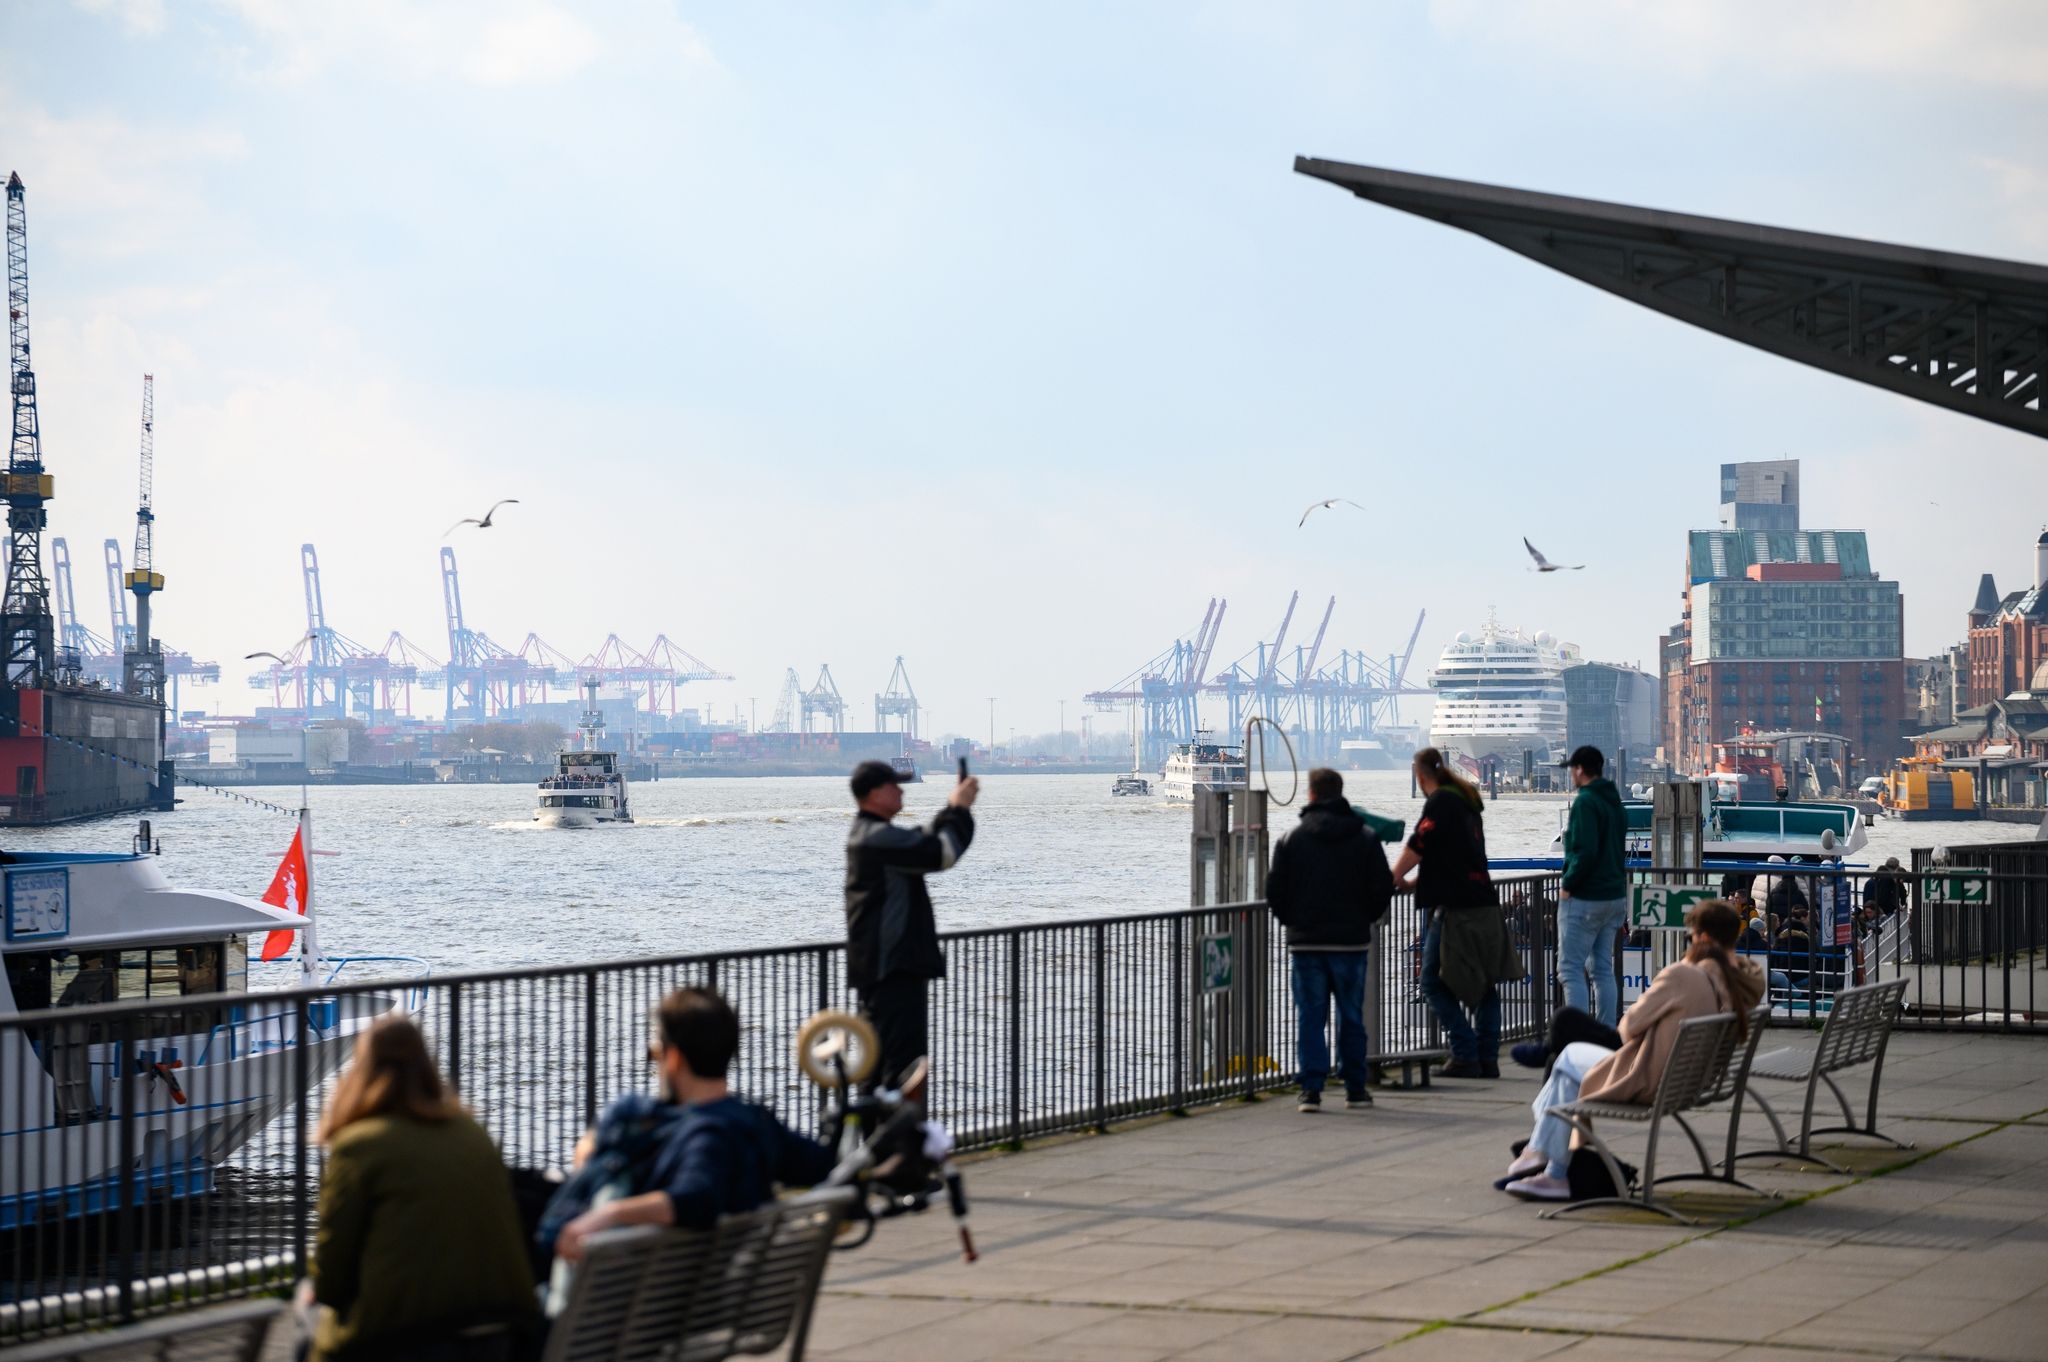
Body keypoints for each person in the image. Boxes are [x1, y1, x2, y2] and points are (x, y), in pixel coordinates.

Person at [306, 1015, 537, 1362]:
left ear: (361, 1071)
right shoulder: (472, 1134)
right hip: (498, 1330)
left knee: (304, 1329)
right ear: (426, 1065)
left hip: (403, 1339)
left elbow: (331, 1279)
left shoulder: (359, 1146)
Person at [1501, 899, 1763, 1200]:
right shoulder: (1744, 979)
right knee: (1564, 1064)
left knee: (1567, 1058)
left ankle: (1551, 1166)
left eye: (1690, 935)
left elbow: (1627, 1028)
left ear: (1702, 937)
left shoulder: (1684, 975)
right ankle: (1542, 1154)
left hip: (1653, 1079)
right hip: (1692, 1081)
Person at [552, 988, 835, 1261]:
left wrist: (611, 1212)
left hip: (631, 1295)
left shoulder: (706, 1136)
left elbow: (696, 1196)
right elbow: (826, 1167)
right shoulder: (757, 1124)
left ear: (674, 1059)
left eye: (655, 1054)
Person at [1265, 767, 1394, 1113]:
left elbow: (1275, 891)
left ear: (1310, 794)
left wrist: (1293, 922)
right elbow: (1382, 887)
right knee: (1351, 1016)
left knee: (1310, 1016)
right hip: (1351, 943)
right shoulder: (1365, 837)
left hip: (1306, 945)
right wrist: (1363, 919)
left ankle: (1310, 1089)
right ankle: (1355, 1088)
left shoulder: (1291, 839)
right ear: (1340, 792)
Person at [843, 759, 978, 1090]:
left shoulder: (873, 835)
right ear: (874, 794)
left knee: (876, 1063)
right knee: (900, 1067)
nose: (901, 789)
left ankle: (876, 1136)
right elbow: (941, 853)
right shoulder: (877, 839)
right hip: (893, 971)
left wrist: (952, 807)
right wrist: (959, 809)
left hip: (883, 970)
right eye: (893, 784)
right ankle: (891, 1137)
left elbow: (925, 842)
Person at [1392, 747, 1519, 1079]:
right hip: (1483, 900)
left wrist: (1394, 876)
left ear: (1419, 776)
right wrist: (1417, 883)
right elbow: (1457, 857)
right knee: (1485, 982)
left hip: (1458, 908)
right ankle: (1488, 1057)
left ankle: (1465, 1052)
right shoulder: (1466, 803)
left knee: (1432, 981)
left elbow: (1419, 843)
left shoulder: (1441, 802)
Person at [1557, 746, 1628, 1027]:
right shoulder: (1615, 802)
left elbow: (1584, 852)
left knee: (1570, 968)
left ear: (1579, 770)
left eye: (1572, 770)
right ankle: (1605, 1032)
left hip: (1586, 896)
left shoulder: (1586, 802)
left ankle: (1575, 1036)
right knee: (1602, 969)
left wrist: (1568, 884)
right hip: (1614, 896)